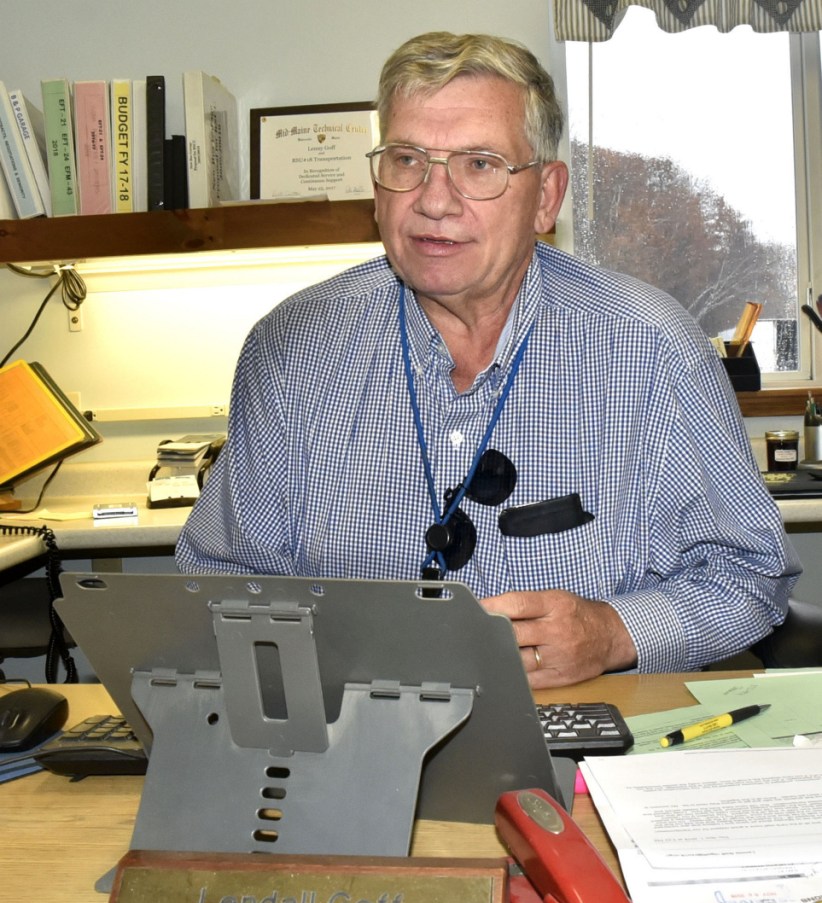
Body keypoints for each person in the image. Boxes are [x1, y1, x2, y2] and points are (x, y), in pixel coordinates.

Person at [176, 30, 800, 686]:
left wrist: (613, 633)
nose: (435, 199)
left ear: (547, 197)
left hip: (594, 739)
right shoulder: (289, 350)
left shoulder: (653, 350)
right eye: (407, 159)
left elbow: (750, 573)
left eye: (479, 164)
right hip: (358, 740)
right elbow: (220, 584)